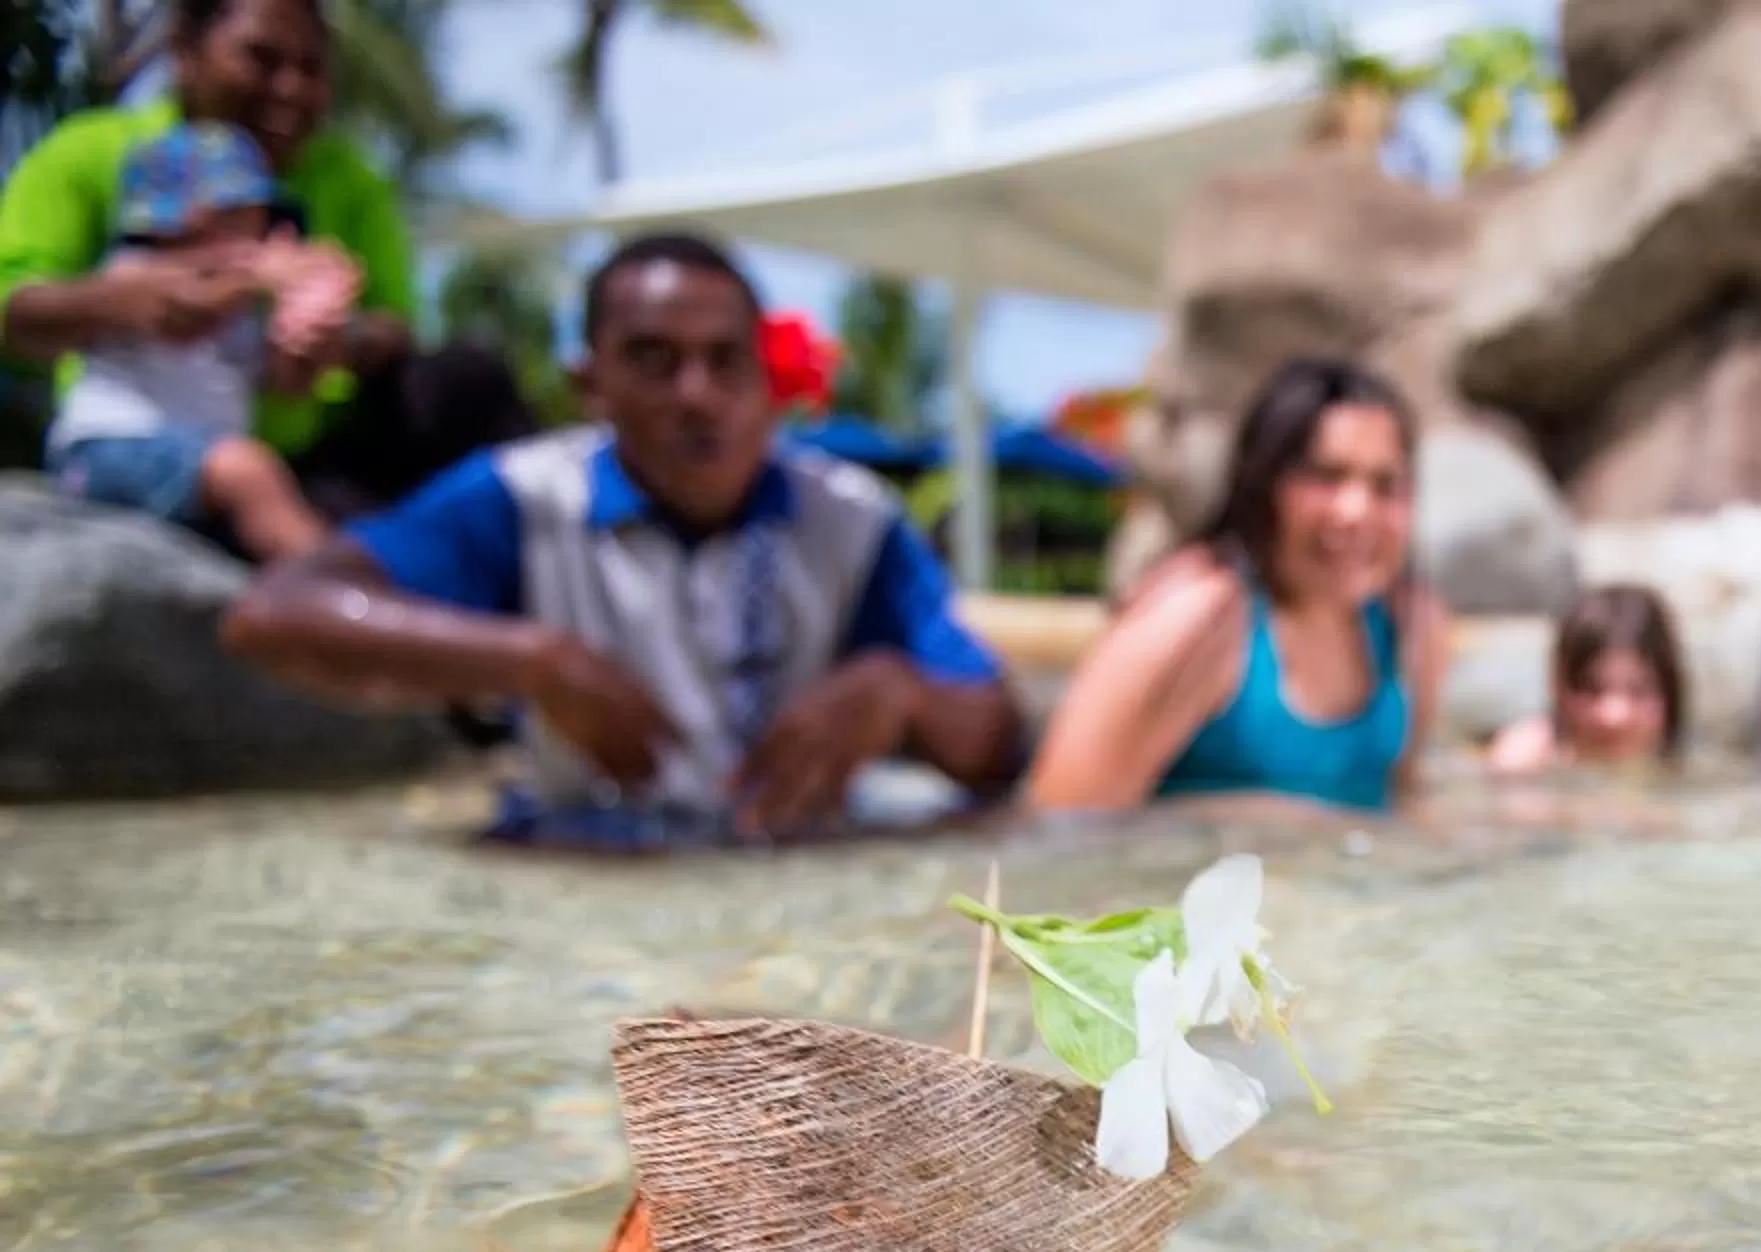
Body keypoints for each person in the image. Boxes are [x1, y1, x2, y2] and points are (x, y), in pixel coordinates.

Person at [219, 233, 1028, 851]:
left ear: (766, 382)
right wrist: (531, 661)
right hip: (588, 874)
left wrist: (901, 694)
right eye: (654, 361)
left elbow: (1003, 744)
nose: (697, 396)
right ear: (590, 385)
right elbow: (274, 614)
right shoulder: (522, 498)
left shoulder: (852, 519)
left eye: (725, 363)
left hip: (793, 879)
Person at [0, 0, 530, 518]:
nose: (292, 89)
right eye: (262, 59)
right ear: (186, 49)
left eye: (312, 69)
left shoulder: (348, 174)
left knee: (469, 379)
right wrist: (130, 300)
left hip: (311, 458)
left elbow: (396, 326)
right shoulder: (90, 153)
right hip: (151, 449)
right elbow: (13, 305)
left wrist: (331, 340)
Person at [1022, 356, 1448, 815]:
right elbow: (1059, 822)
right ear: (1263, 484)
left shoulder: (1410, 626)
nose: (1355, 510)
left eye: (1385, 485)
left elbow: (1401, 806)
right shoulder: (1197, 618)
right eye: (1326, 477)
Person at [44, 123, 332, 560]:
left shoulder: (242, 311)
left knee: (259, 476)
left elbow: (283, 382)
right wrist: (253, 278)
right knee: (248, 470)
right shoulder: (132, 272)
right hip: (107, 449)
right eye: (236, 219)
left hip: (196, 465)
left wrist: (306, 332)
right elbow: (181, 313)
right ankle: (323, 587)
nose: (255, 237)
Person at [1488, 582, 1687, 774]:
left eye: (1639, 691)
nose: (1613, 716)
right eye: (1592, 690)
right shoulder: (1526, 764)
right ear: (1560, 688)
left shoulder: (1691, 766)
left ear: (1670, 696)